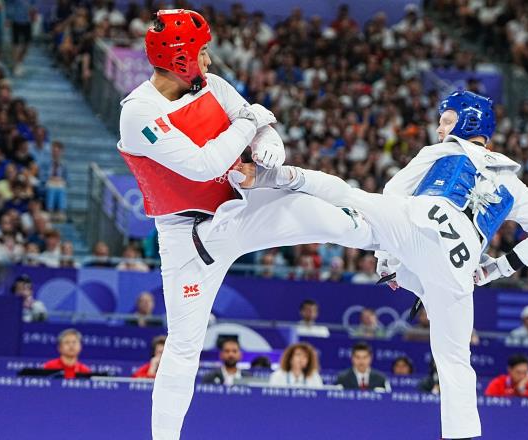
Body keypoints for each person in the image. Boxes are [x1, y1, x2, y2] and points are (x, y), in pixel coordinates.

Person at [245, 90, 528, 439]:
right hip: (459, 265)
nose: (440, 129)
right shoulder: (513, 183)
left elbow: (394, 191)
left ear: (468, 122)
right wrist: (496, 269)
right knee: (455, 362)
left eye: (445, 121)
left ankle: (268, 177)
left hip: (423, 225)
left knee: (355, 200)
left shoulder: (443, 150)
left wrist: (387, 260)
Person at [116, 10, 373, 439]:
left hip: (242, 205)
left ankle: (392, 244)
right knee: (183, 345)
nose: (210, 62)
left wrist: (269, 143)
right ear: (180, 57)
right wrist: (251, 121)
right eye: (202, 54)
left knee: (324, 217)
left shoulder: (211, 86)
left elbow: (262, 129)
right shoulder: (138, 112)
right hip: (189, 238)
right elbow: (205, 165)